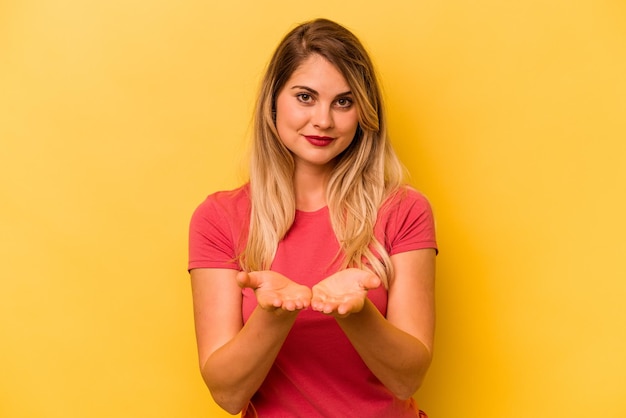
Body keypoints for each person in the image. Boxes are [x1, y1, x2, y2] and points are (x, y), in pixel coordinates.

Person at [188, 18, 437, 418]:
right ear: (274, 100)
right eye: (305, 97)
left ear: (363, 112)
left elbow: (407, 379)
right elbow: (228, 395)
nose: (323, 120)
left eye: (343, 101)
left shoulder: (404, 211)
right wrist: (273, 316)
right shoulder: (219, 218)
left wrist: (356, 313)